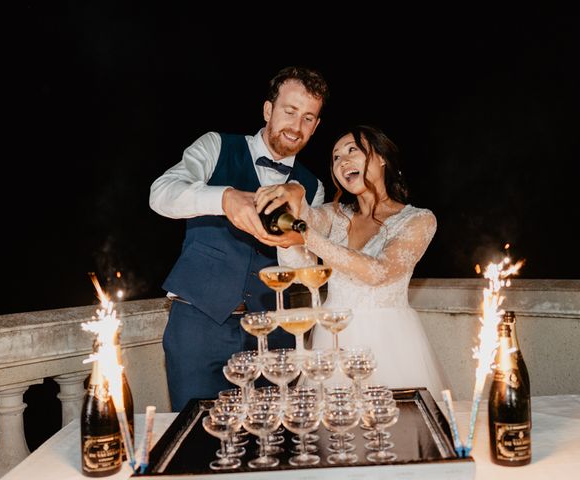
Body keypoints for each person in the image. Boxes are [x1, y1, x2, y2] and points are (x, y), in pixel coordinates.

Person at [149, 66, 330, 411]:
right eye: (289, 112)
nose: (296, 126)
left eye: (308, 118)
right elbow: (161, 193)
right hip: (198, 326)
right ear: (268, 110)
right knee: (197, 434)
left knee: (272, 438)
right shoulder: (216, 145)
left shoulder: (312, 187)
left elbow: (305, 267)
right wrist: (223, 198)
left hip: (274, 334)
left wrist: (293, 243)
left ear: (316, 125)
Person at [254, 124, 448, 400]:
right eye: (335, 157)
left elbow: (378, 272)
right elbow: (302, 233)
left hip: (389, 343)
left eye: (352, 150)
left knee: (392, 430)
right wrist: (294, 195)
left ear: (381, 157)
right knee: (331, 432)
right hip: (331, 339)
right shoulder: (334, 215)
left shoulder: (419, 220)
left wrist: (306, 236)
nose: (342, 161)